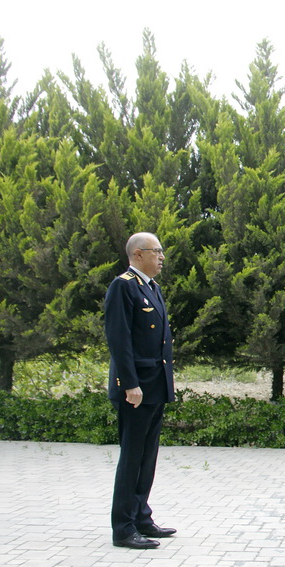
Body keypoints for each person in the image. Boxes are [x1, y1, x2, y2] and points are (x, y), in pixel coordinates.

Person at [105, 232, 176, 549]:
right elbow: (119, 340)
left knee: (147, 457)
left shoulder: (152, 288)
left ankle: (141, 516)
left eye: (162, 252)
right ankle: (123, 527)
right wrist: (129, 384)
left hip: (155, 385)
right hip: (136, 388)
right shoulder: (123, 286)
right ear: (137, 255)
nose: (161, 257)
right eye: (156, 251)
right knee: (132, 457)